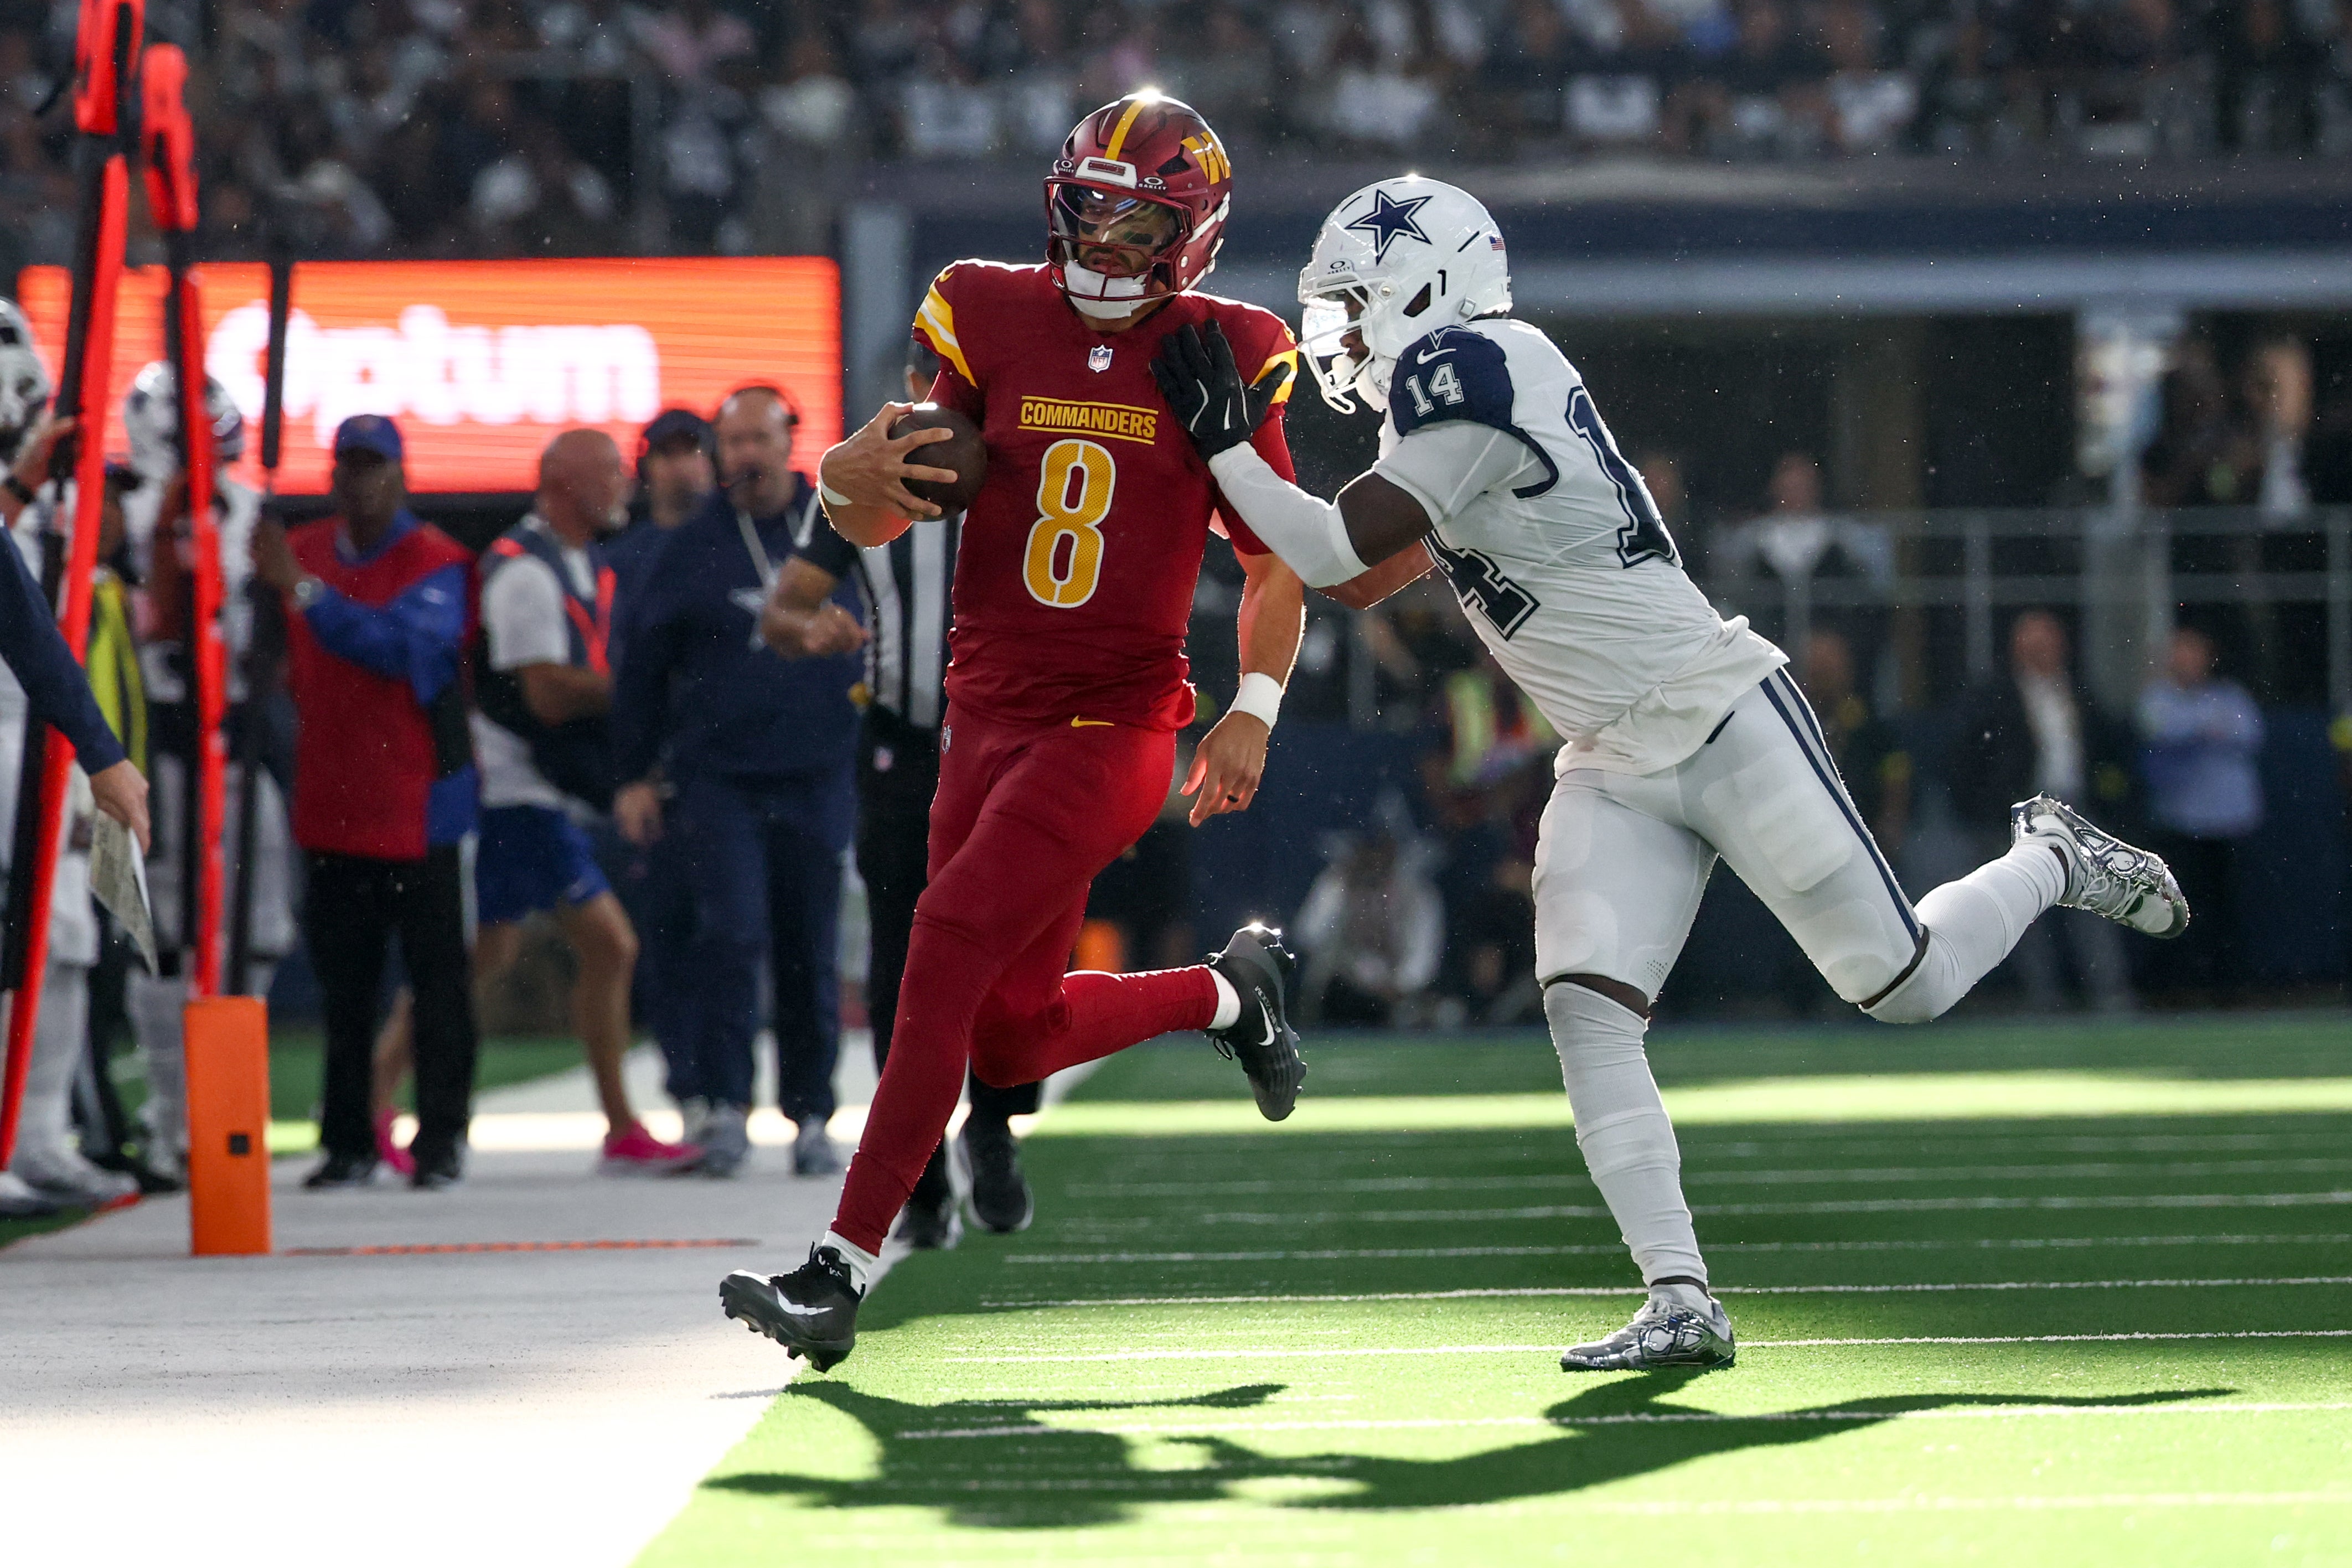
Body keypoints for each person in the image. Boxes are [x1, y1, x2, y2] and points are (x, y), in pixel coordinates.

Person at [1147, 174, 2189, 1375]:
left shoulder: (1475, 367)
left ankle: (2054, 858)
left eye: (1350, 302)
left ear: (1419, 285)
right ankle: (1680, 1296)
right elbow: (1350, 575)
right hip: (1608, 754)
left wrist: (1223, 442)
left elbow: (1334, 542)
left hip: (1713, 713)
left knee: (1901, 983)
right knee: (1587, 1011)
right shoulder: (1452, 399)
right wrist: (1232, 466)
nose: (1337, 331)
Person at [720, 90, 1314, 1371]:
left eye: (1138, 220)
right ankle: (1230, 992)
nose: (1106, 241)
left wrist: (1250, 707)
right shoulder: (985, 309)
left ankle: (840, 1263)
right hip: (982, 709)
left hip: (1114, 718)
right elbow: (885, 509)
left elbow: (1280, 562)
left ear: (1190, 234)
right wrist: (849, 475)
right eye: (1090, 209)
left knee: (938, 937)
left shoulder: (1225, 346)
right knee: (1016, 1028)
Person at [759, 338, 1041, 1249]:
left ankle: (992, 1123)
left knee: (1009, 950)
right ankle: (917, 1174)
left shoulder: (1030, 463)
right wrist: (806, 629)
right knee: (900, 956)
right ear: (916, 382)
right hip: (904, 743)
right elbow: (785, 603)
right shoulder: (864, 469)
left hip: (1006, 736)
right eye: (936, 377)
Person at [611, 385, 860, 1180]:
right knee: (731, 934)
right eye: (733, 443)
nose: (745, 456)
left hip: (819, 768)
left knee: (808, 945)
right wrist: (632, 775)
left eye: (758, 438)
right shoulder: (690, 546)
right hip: (719, 777)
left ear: (791, 438)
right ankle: (723, 1105)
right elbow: (643, 672)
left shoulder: (840, 524)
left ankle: (812, 1112)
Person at [254, 415, 479, 1192]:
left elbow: (405, 652)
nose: (361, 480)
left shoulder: (436, 562)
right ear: (332, 477)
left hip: (416, 804)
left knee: (436, 979)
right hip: (330, 800)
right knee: (344, 986)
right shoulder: (302, 550)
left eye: (374, 465)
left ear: (401, 475)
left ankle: (441, 1138)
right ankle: (348, 1139)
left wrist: (305, 594)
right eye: (349, 465)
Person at [466, 428, 697, 1172]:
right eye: (609, 474)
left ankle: (378, 1099)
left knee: (482, 952)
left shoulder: (572, 559)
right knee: (610, 944)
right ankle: (620, 1125)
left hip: (528, 786)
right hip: (511, 788)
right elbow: (544, 692)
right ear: (567, 484)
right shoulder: (527, 572)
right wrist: (642, 693)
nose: (625, 486)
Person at [115, 361, 298, 1184]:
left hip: (240, 732)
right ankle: (167, 1115)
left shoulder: (252, 511)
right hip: (160, 737)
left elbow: (276, 628)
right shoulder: (119, 511)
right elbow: (142, 619)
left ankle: (230, 1110)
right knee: (167, 932)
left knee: (257, 926)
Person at [601, 407, 714, 1145]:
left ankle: (731, 1087)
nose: (679, 467)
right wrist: (631, 772)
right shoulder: (627, 559)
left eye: (690, 452)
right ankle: (693, 1086)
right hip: (666, 772)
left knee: (739, 935)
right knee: (672, 937)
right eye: (664, 454)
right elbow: (623, 678)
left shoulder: (741, 543)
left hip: (736, 764)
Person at [1949, 609, 2139, 1013]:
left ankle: (2109, 992)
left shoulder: (2079, 692)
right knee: (2025, 911)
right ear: (2015, 648)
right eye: (2030, 642)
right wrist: (1989, 810)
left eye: (2047, 641)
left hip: (2076, 812)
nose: (2040, 651)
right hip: (2021, 815)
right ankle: (2042, 995)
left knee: (2094, 900)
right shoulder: (1994, 696)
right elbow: (1966, 759)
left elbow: (2107, 749)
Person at [2137, 624, 2260, 1003]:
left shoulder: (2230, 696)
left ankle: (2228, 989)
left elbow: (2251, 733)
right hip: (2179, 823)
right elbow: (2161, 730)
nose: (2187, 660)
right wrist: (2203, 729)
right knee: (2177, 910)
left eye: (2194, 652)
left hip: (2228, 823)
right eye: (2180, 652)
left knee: (2228, 909)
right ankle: (2180, 990)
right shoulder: (2156, 699)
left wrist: (2197, 731)